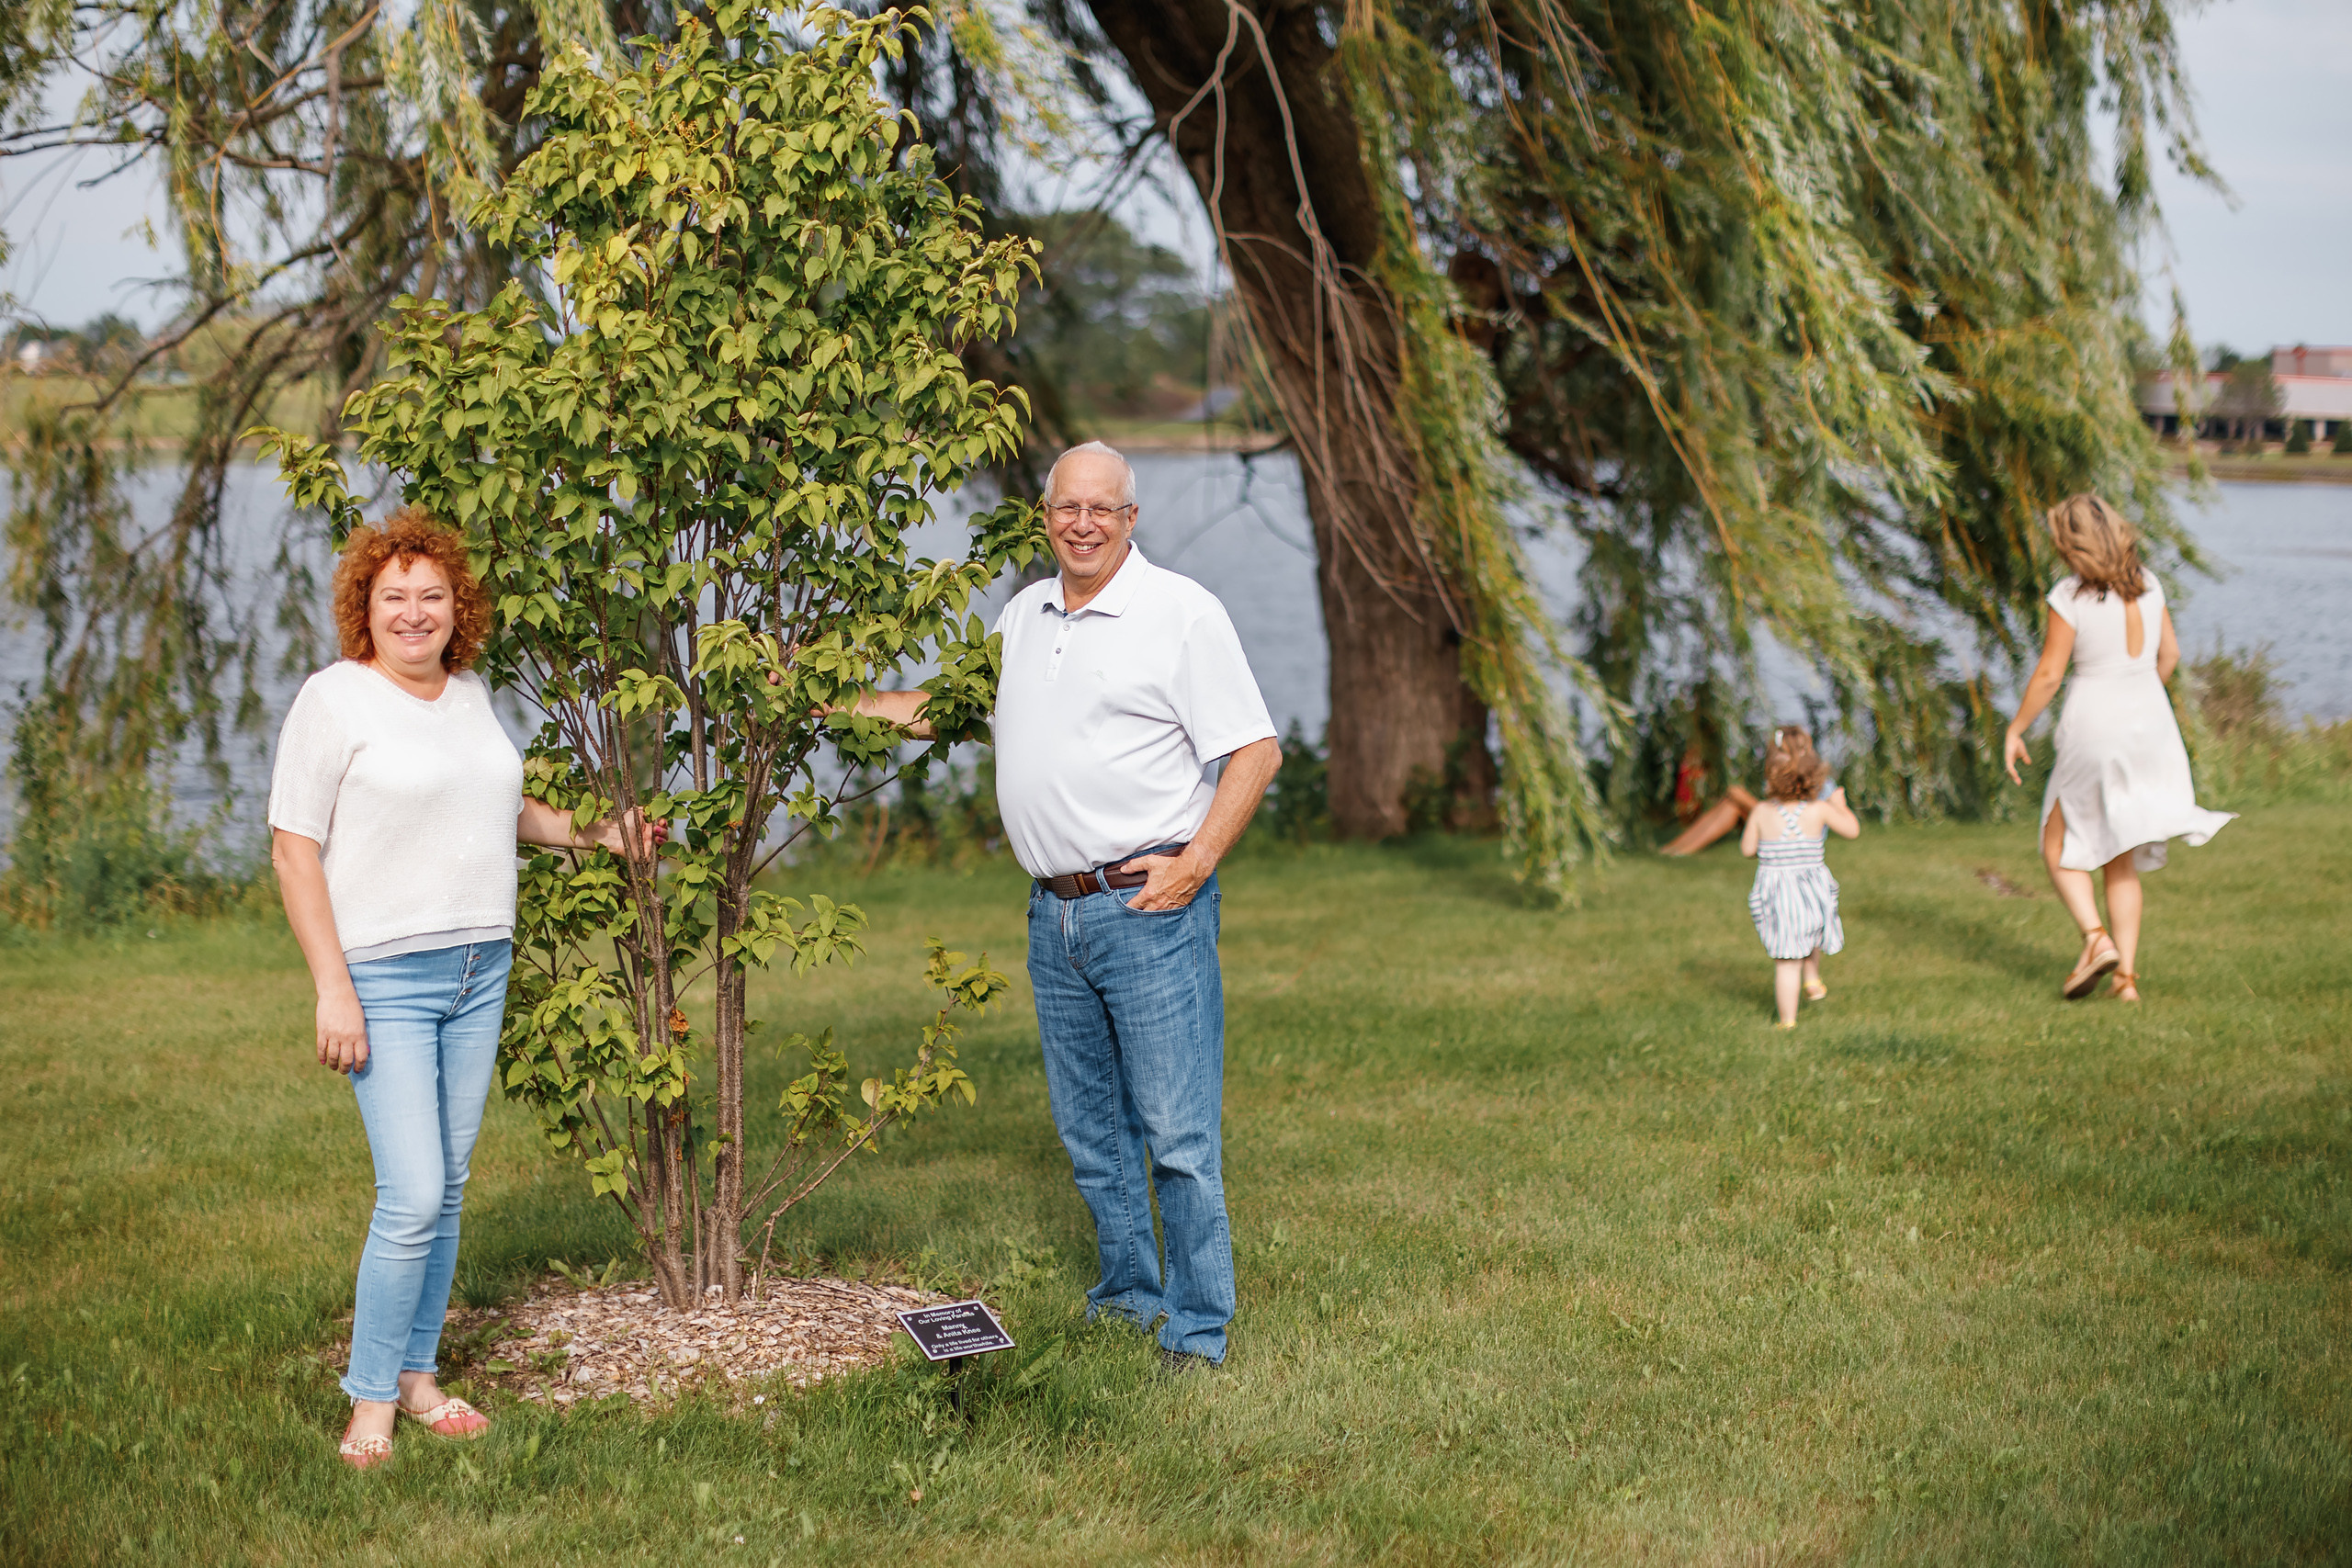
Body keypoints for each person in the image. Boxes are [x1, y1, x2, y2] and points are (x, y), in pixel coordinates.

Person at [850, 441, 1280, 1371]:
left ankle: (1198, 1329)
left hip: (1147, 908)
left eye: (1102, 509)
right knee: (1093, 1133)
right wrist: (831, 701)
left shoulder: (1179, 614)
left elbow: (1255, 751)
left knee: (1175, 1135)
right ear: (1045, 515)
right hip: (1056, 914)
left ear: (1130, 520)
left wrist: (1197, 861)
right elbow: (956, 711)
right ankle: (1127, 1298)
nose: (1082, 523)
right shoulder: (1024, 613)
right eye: (1065, 507)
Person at [269, 507, 657, 1469]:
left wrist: (597, 834)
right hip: (386, 977)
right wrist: (333, 989)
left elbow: (499, 805)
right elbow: (293, 846)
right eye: (393, 595)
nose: (412, 613)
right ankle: (369, 1401)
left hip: (480, 966)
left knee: (446, 1187)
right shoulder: (334, 700)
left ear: (457, 607)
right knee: (411, 1193)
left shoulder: (471, 694)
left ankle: (419, 1374)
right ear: (365, 603)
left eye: (430, 596)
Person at [2002, 494, 2233, 1002]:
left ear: (2072, 544)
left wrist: (2016, 727)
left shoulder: (2070, 597)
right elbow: (2168, 654)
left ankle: (2095, 938)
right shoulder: (2149, 585)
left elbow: (2048, 674)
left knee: (2055, 844)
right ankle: (2126, 981)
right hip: (2151, 724)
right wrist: (2140, 697)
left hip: (2094, 723)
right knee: (2119, 855)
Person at [1739, 727, 1861, 1028]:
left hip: (1778, 892)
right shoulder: (1818, 810)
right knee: (1811, 934)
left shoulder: (1761, 812)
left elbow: (1747, 849)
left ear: (1770, 775)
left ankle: (1787, 1021)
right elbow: (1852, 831)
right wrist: (1841, 807)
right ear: (1814, 775)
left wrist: (1772, 851)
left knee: (1786, 961)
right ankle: (1812, 978)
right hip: (1810, 890)